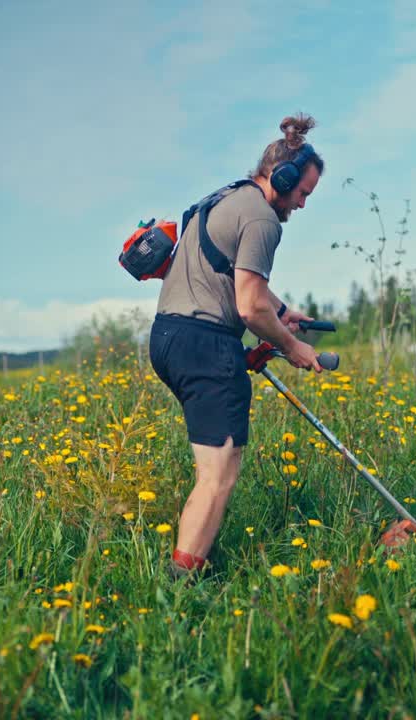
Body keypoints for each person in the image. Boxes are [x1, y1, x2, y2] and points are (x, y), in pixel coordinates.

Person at [149, 113, 326, 577]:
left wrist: (283, 311)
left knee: (213, 465)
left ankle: (186, 566)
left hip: (168, 337)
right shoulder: (264, 220)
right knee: (219, 475)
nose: (303, 204)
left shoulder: (224, 198)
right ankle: (180, 586)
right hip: (206, 345)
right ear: (282, 178)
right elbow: (249, 308)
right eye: (303, 193)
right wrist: (291, 346)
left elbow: (230, 275)